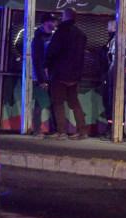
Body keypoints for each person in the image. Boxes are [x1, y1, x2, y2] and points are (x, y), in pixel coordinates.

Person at [44, 7, 88, 140]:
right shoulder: (81, 35)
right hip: (74, 75)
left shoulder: (60, 32)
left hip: (59, 74)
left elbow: (52, 51)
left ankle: (61, 131)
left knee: (58, 102)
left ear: (65, 16)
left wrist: (46, 66)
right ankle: (82, 131)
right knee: (74, 102)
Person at [31, 12, 59, 137]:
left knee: (53, 102)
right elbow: (36, 60)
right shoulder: (38, 38)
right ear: (44, 23)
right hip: (41, 76)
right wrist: (41, 78)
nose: (54, 23)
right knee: (39, 104)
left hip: (51, 75)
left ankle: (54, 129)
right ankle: (37, 130)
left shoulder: (53, 36)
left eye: (54, 21)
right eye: (51, 21)